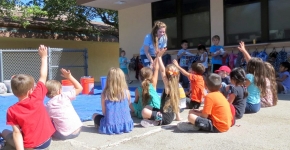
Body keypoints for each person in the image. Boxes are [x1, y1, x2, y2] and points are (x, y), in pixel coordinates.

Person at [0, 45, 55, 149]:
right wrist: (44, 57)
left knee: (5, 131)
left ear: (13, 91)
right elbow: (43, 76)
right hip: (47, 141)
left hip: (31, 145)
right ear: (30, 91)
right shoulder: (37, 96)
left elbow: (16, 133)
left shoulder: (12, 111)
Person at [140, 49, 180, 127]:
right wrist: (178, 117)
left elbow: (162, 71)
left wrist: (159, 57)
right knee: (148, 107)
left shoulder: (168, 87)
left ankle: (156, 121)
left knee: (144, 111)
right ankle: (154, 119)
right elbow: (176, 104)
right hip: (165, 114)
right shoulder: (175, 87)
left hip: (165, 118)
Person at [92, 67, 134, 135]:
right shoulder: (127, 92)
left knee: (94, 115)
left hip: (110, 126)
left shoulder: (104, 94)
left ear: (108, 79)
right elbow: (127, 106)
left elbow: (104, 112)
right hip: (126, 125)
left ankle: (99, 126)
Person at [45, 68, 83, 140]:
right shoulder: (65, 96)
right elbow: (80, 87)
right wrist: (69, 77)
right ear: (59, 91)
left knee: (48, 123)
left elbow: (48, 122)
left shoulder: (48, 105)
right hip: (78, 129)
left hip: (64, 134)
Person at [237, 41, 267, 114]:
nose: (247, 63)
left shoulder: (249, 76)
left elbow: (241, 86)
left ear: (251, 66)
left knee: (229, 104)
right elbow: (251, 61)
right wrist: (244, 50)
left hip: (249, 106)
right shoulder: (260, 76)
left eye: (248, 64)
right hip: (257, 105)